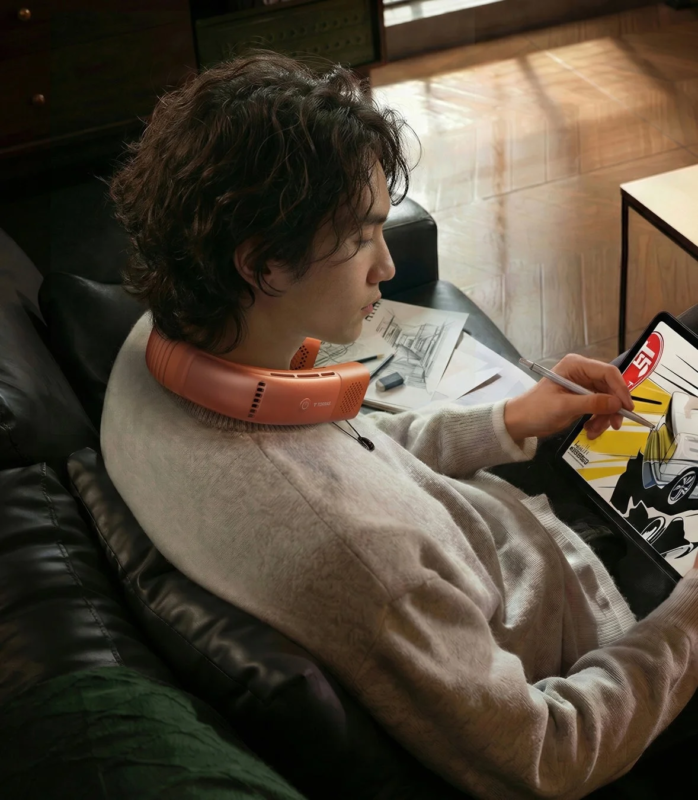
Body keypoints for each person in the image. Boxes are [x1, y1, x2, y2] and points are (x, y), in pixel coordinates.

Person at [101, 51, 698, 799]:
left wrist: (510, 420)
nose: (385, 265)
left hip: (524, 537)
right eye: (362, 237)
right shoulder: (357, 560)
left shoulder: (160, 351)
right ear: (264, 265)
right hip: (606, 635)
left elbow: (357, 461)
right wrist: (690, 617)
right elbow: (549, 751)